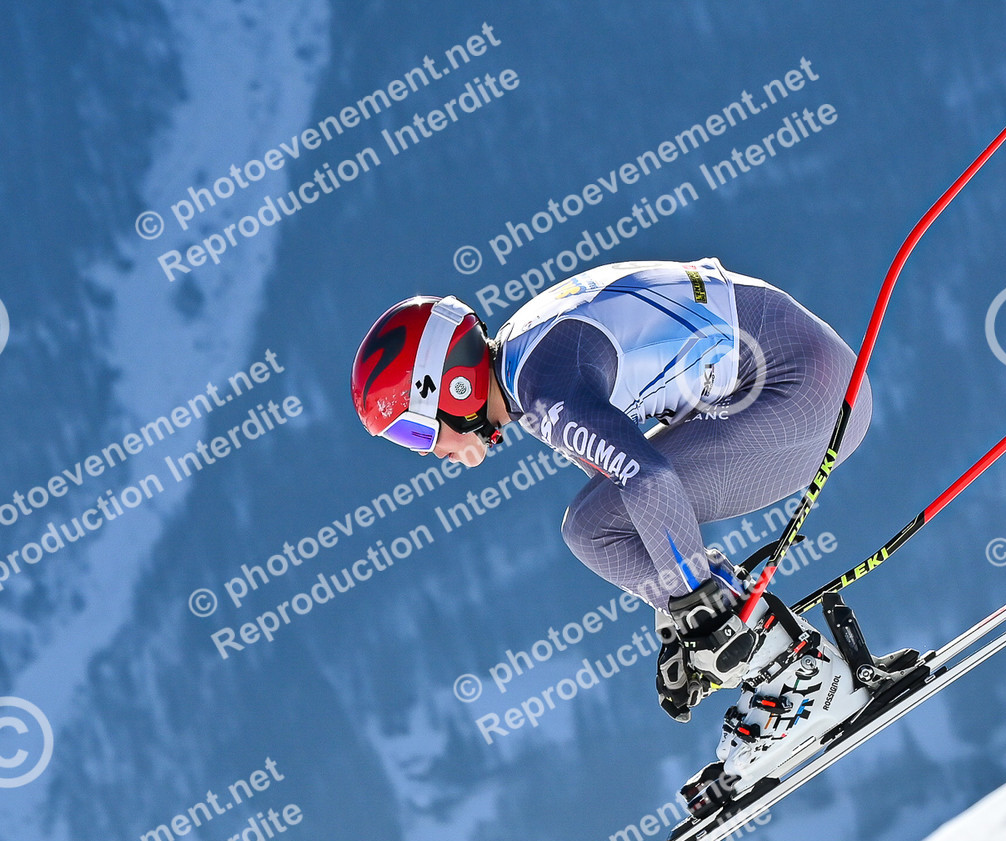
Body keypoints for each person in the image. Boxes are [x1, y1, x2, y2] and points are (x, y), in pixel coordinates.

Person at [351, 259, 889, 798]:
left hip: (806, 399)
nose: (429, 453)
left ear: (453, 387)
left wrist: (699, 616)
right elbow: (636, 499)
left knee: (591, 530)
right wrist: (678, 619)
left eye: (417, 434)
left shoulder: (544, 392)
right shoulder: (526, 356)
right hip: (807, 379)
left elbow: (648, 481)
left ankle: (802, 678)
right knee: (606, 520)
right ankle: (775, 655)